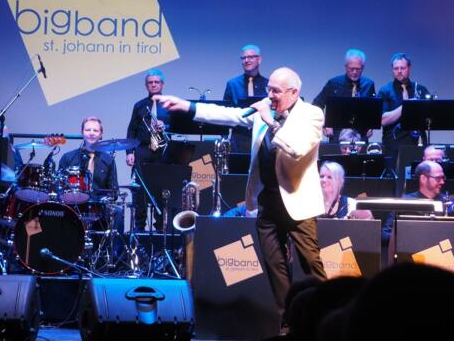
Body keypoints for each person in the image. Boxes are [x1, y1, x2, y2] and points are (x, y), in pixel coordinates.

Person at [155, 67, 328, 324]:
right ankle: (288, 322)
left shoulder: (311, 114)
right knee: (275, 267)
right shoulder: (265, 111)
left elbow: (297, 149)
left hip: (298, 202)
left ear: (294, 92)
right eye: (268, 89)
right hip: (268, 202)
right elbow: (229, 115)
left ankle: (328, 315)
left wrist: (270, 121)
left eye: (276, 91)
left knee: (311, 264)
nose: (270, 95)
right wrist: (188, 107)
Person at [125, 69, 172, 231]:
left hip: (162, 153)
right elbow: (131, 130)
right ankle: (139, 228)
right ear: (146, 85)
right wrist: (129, 152)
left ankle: (160, 228)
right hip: (142, 151)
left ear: (162, 84)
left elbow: (177, 127)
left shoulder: (170, 105)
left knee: (162, 191)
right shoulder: (139, 105)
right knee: (140, 191)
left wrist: (166, 126)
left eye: (156, 82)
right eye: (150, 82)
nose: (153, 85)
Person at [381, 160, 454, 244]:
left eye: (443, 178)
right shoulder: (404, 202)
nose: (442, 182)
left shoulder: (450, 201)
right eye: (438, 178)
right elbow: (385, 234)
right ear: (423, 179)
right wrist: (408, 238)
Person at [378, 52, 430, 173]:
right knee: (394, 180)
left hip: (417, 143)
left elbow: (429, 118)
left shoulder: (421, 90)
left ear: (409, 68)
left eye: (402, 68)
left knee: (418, 177)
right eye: (396, 68)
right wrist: (407, 106)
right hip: (393, 145)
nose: (399, 71)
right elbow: (382, 120)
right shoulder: (385, 90)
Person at [312, 49, 376, 143]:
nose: (355, 72)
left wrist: (371, 125)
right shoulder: (334, 83)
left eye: (358, 69)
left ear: (363, 68)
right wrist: (325, 124)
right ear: (346, 67)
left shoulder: (369, 84)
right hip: (337, 135)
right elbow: (316, 105)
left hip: (361, 135)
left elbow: (373, 109)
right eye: (351, 69)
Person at [223, 44, 269, 152]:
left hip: (262, 137)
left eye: (250, 57)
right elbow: (225, 111)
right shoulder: (232, 84)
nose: (246, 60)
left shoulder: (268, 84)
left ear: (259, 60)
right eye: (243, 58)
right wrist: (224, 137)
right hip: (239, 138)